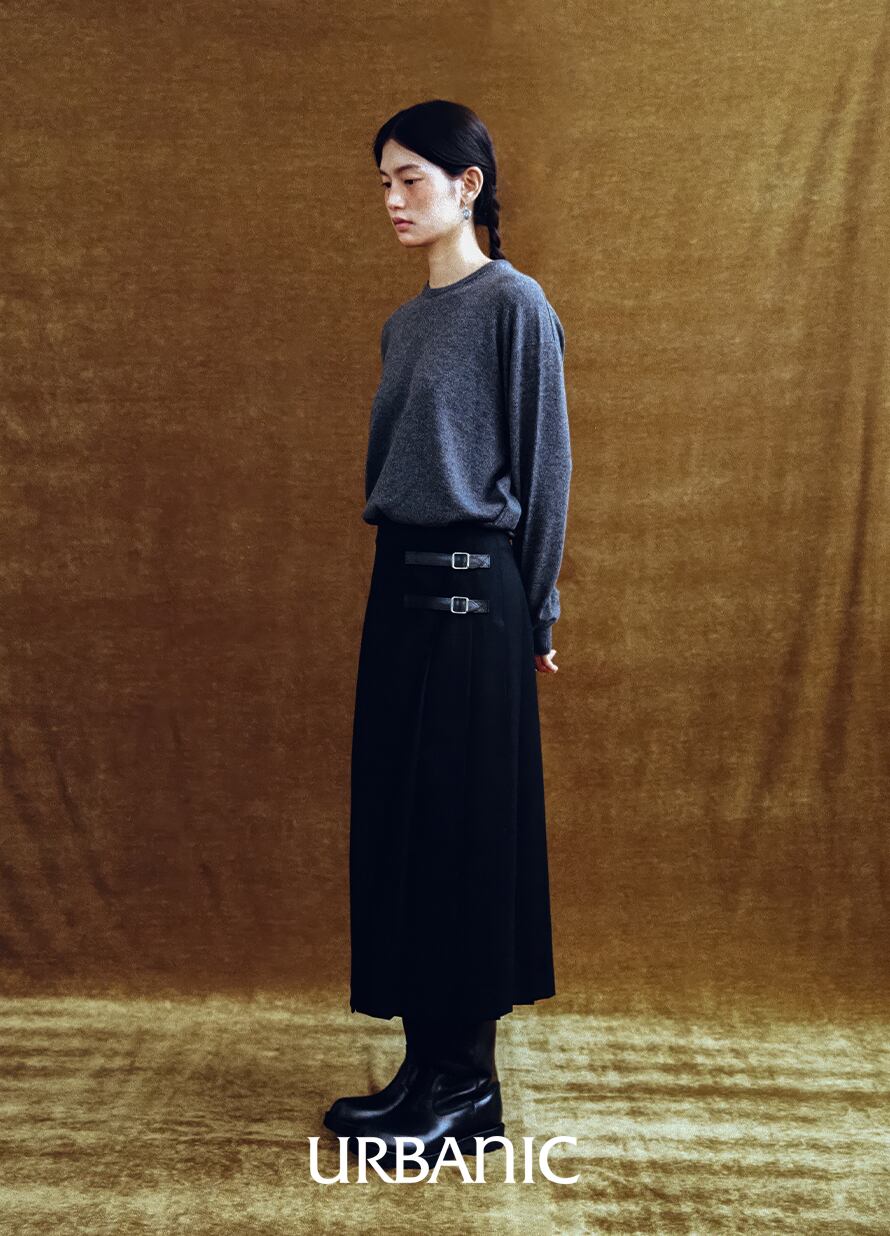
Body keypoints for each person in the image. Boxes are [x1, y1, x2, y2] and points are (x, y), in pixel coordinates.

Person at [323, 99, 572, 1170]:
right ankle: (424, 1072)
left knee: (465, 837)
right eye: (382, 182)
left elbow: (545, 468)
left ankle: (467, 1091)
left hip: (477, 600)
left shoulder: (515, 306)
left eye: (410, 178)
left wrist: (539, 609)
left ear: (468, 185)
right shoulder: (405, 323)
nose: (391, 199)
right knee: (407, 831)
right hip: (400, 594)